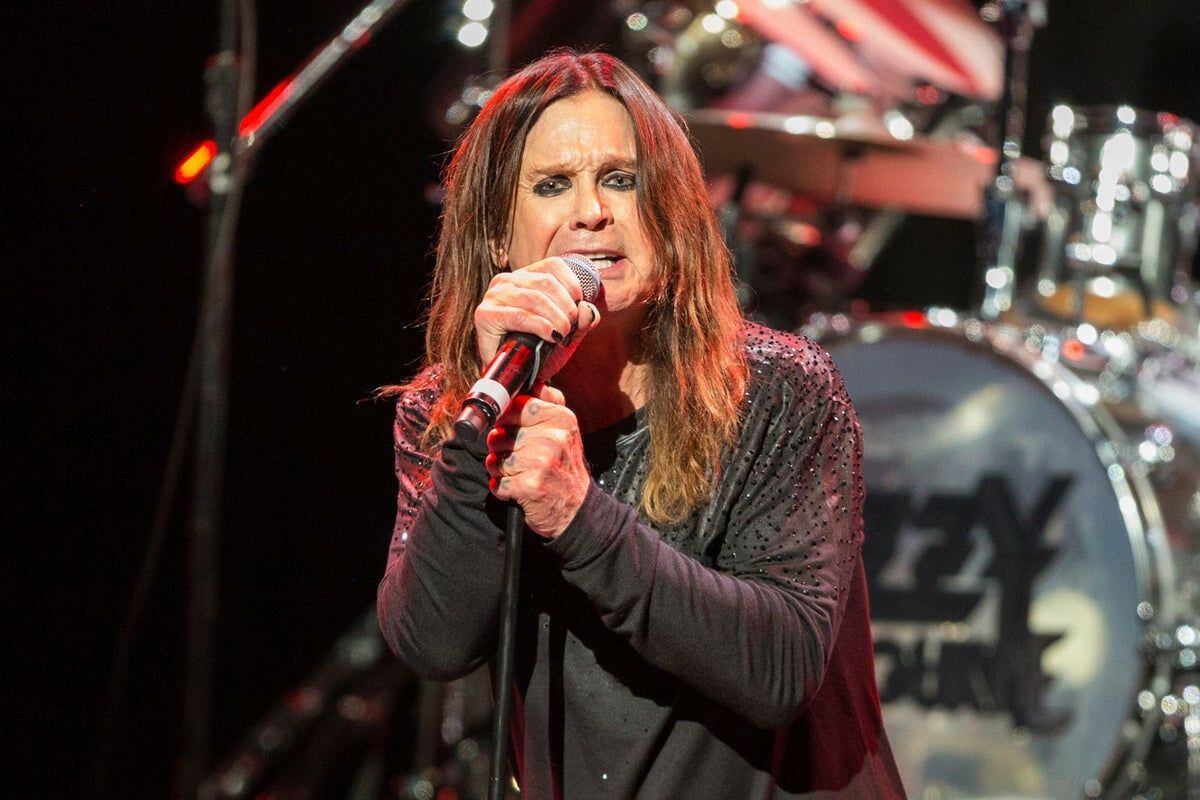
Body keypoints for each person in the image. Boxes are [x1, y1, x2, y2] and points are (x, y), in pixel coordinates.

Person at [376, 50, 905, 798]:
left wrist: (577, 518)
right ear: (496, 235)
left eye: (620, 179)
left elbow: (782, 669)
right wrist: (481, 424)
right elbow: (433, 642)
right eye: (551, 185)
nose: (592, 210)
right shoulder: (451, 412)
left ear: (668, 213)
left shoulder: (778, 390)